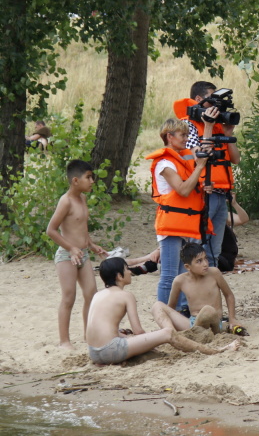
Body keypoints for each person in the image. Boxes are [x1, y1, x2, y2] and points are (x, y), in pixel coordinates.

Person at [86, 257, 238, 365]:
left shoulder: (97, 295)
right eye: (126, 269)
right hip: (111, 351)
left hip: (93, 352)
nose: (130, 272)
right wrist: (149, 340)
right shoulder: (126, 295)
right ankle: (216, 351)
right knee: (167, 333)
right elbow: (138, 331)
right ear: (119, 276)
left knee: (134, 338)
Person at [144, 118, 211, 307]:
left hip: (184, 224)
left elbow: (189, 189)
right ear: (169, 137)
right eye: (182, 135)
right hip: (171, 226)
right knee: (169, 275)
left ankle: (181, 312)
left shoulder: (181, 160)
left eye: (187, 134)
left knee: (184, 275)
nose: (186, 139)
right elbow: (182, 190)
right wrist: (199, 167)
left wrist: (202, 187)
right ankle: (163, 314)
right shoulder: (165, 164)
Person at [174, 81, 240, 267]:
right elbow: (199, 156)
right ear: (199, 100)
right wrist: (209, 126)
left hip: (220, 192)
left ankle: (209, 289)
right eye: (212, 101)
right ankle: (188, 287)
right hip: (202, 191)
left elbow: (235, 159)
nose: (216, 108)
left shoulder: (217, 125)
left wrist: (228, 134)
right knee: (196, 245)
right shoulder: (187, 126)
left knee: (214, 250)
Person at [45, 160, 108, 349]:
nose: (92, 181)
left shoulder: (82, 198)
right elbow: (51, 230)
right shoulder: (66, 201)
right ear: (75, 180)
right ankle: (64, 341)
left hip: (84, 254)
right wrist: (71, 248)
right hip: (66, 256)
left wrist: (90, 244)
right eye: (88, 177)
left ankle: (88, 334)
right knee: (69, 297)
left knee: (91, 293)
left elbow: (81, 226)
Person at [151, 243, 244, 335]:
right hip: (193, 324)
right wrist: (170, 323)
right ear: (188, 267)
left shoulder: (214, 273)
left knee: (208, 310)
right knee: (158, 306)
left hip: (214, 324)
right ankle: (171, 334)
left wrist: (232, 319)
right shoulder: (180, 281)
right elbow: (171, 308)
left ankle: (190, 334)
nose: (205, 264)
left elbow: (229, 295)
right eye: (199, 261)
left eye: (206, 258)